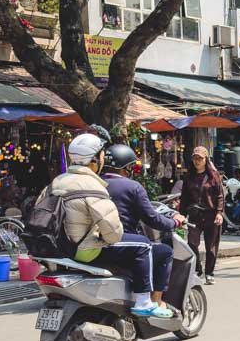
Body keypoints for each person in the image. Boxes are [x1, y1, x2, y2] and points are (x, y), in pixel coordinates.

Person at [46, 133, 172, 318]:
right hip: (85, 248)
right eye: (102, 154)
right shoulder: (92, 184)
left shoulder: (58, 181)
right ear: (95, 159)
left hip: (62, 247)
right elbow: (112, 231)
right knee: (143, 244)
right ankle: (144, 302)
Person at [101, 143, 186, 303]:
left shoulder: (94, 183)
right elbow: (152, 218)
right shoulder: (133, 187)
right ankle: (155, 302)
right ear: (127, 167)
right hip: (121, 243)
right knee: (164, 252)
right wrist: (174, 223)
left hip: (93, 244)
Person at [180, 146, 226, 285]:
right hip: (195, 215)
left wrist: (219, 213)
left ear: (206, 159)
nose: (197, 161)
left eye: (200, 158)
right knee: (192, 243)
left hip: (211, 215)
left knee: (211, 247)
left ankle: (209, 273)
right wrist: (181, 215)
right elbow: (184, 198)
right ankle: (198, 268)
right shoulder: (189, 177)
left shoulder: (214, 176)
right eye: (195, 158)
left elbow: (220, 195)